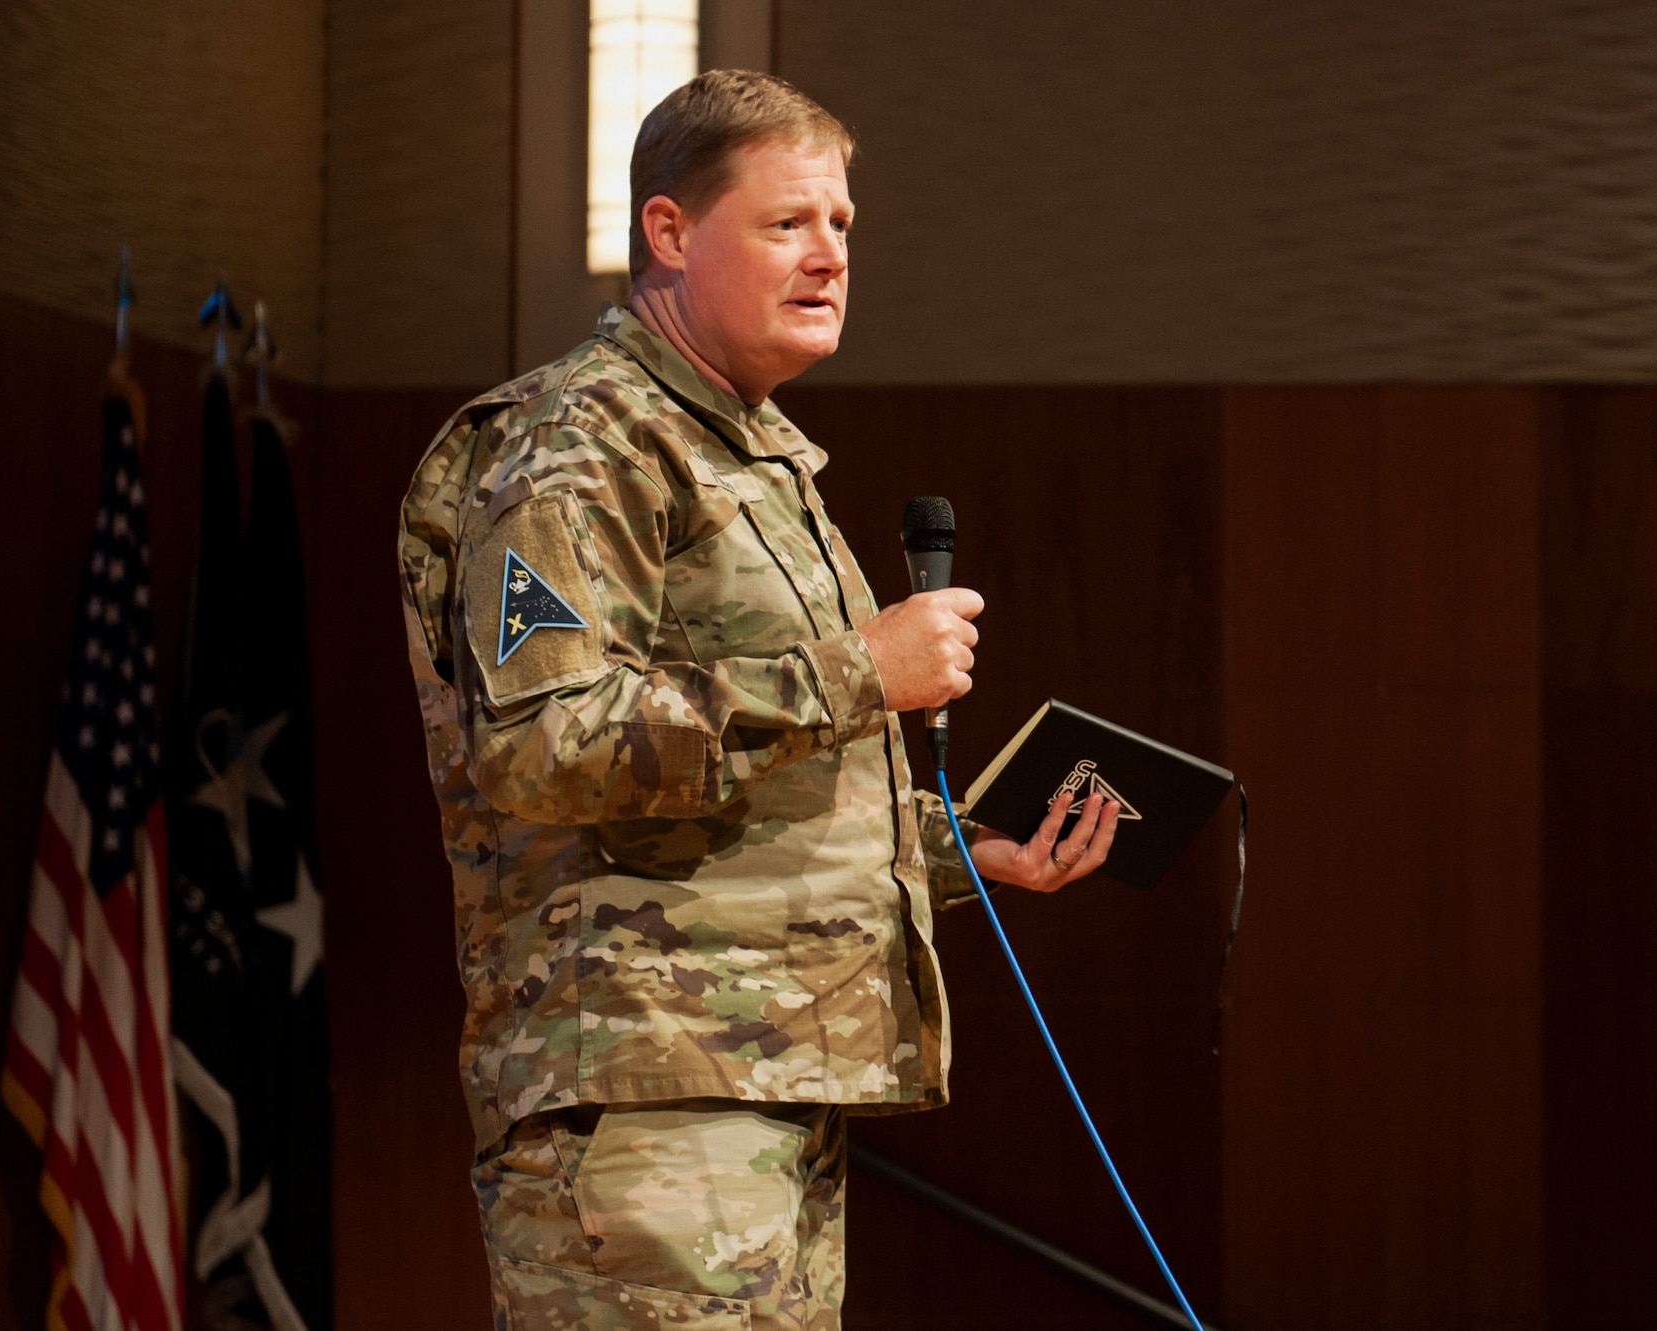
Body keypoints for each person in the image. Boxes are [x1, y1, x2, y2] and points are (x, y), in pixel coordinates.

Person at [396, 69, 1119, 1330]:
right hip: (639, 1105)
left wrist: (958, 848)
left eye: (842, 224)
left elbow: (756, 783)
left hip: (761, 1084)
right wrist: (859, 670)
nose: (828, 254)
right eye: (786, 222)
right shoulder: (582, 441)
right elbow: (544, 744)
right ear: (668, 232)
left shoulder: (748, 453)